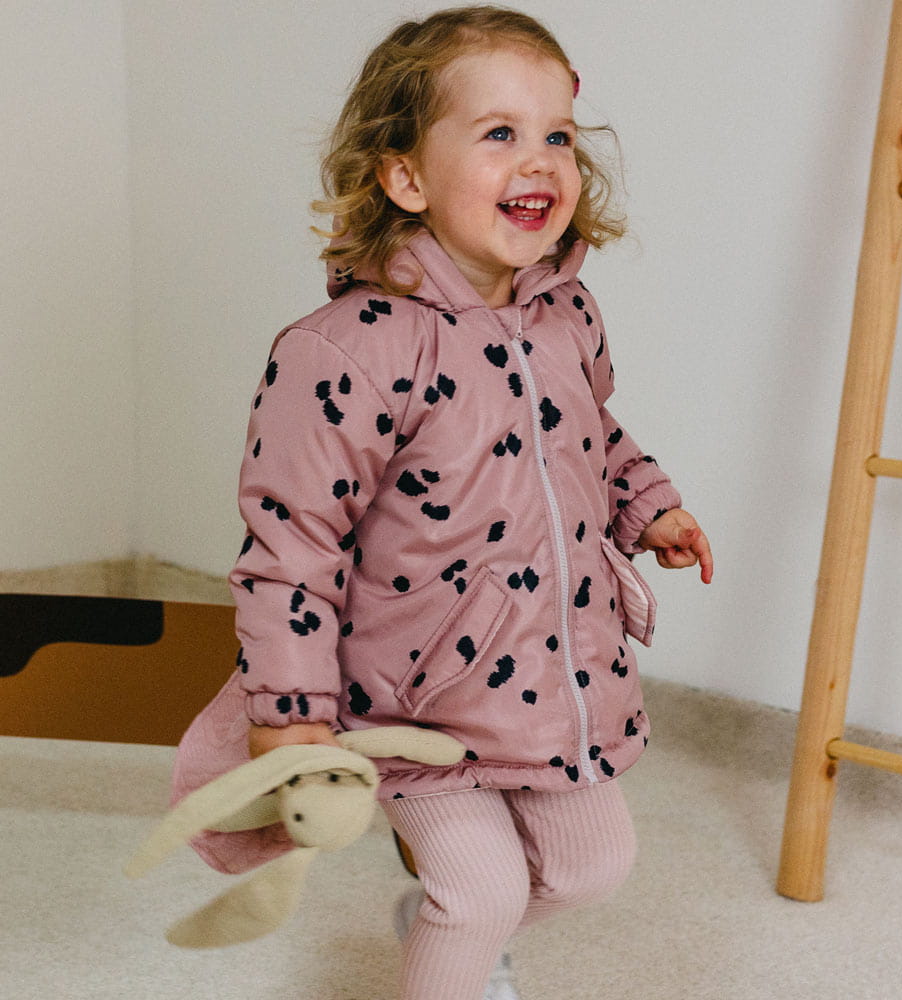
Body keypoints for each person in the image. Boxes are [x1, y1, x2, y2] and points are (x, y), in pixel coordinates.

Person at [212, 6, 711, 998]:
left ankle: (441, 934)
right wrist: (291, 713)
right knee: (480, 892)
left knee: (594, 867)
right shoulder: (346, 351)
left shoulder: (567, 315)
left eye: (556, 135)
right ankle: (454, 946)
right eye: (499, 133)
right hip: (415, 696)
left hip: (551, 677)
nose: (539, 160)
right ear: (405, 178)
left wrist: (645, 504)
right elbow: (291, 547)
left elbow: (589, 435)